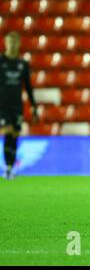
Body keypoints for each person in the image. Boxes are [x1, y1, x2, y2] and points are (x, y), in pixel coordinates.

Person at [0, 31, 38, 180]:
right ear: (5, 43)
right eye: (10, 42)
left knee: (14, 136)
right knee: (8, 132)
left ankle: (9, 168)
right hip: (2, 106)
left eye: (15, 42)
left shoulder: (23, 64)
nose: (12, 44)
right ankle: (7, 167)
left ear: (19, 43)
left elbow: (28, 87)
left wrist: (34, 106)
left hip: (17, 106)